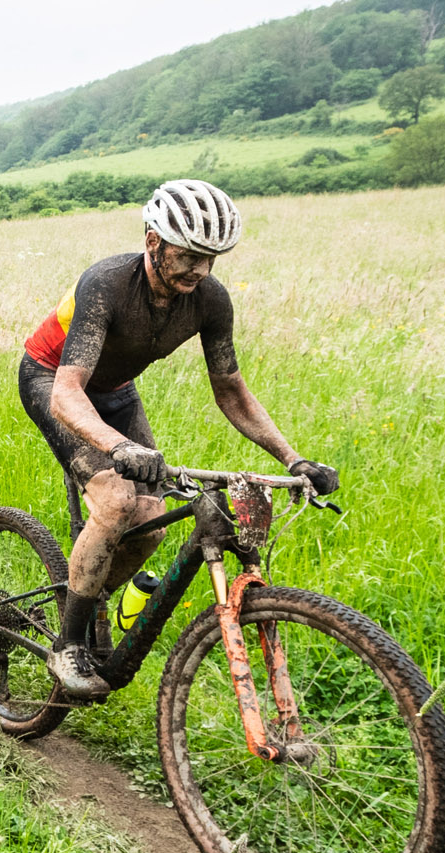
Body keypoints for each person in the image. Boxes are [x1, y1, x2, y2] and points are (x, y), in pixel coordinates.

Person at [19, 178, 338, 699]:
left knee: (151, 524)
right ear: (153, 242)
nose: (200, 269)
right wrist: (120, 448)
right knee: (117, 502)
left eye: (210, 258)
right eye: (189, 255)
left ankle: (87, 593)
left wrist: (294, 459)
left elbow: (231, 390)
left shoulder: (209, 301)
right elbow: (67, 392)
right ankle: (69, 642)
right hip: (52, 379)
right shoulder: (106, 284)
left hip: (116, 391)